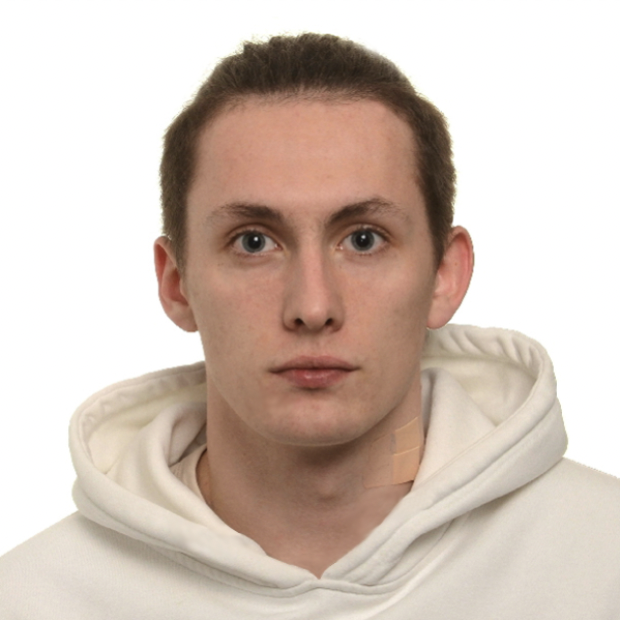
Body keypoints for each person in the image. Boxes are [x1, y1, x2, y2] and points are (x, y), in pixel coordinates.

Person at [1, 32, 619, 618]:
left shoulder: (602, 563)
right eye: (253, 242)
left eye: (364, 239)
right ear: (176, 282)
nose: (313, 306)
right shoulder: (30, 602)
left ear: (444, 274)